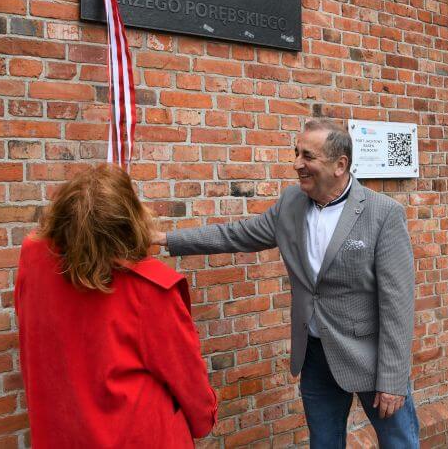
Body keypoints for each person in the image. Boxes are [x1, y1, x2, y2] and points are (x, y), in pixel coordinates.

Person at [152, 118, 419, 448]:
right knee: (323, 444)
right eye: (296, 153)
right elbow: (235, 235)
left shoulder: (383, 214)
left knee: (399, 443)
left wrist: (392, 378)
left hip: (371, 357)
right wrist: (165, 239)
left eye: (308, 156)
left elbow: (398, 303)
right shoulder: (291, 204)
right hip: (315, 356)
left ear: (340, 165)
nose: (297, 164)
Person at [16, 164, 218, 447]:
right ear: (128, 221)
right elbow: (187, 380)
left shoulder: (33, 258)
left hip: (62, 432)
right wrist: (203, 418)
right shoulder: (149, 288)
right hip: (140, 435)